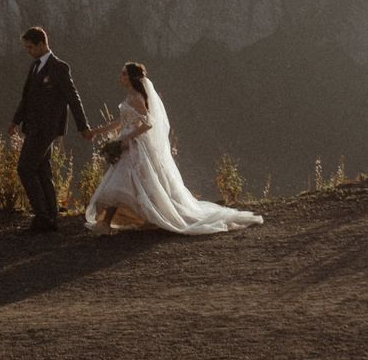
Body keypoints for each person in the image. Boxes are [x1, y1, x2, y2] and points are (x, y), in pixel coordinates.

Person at [82, 61, 264, 236]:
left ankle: (109, 222)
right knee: (132, 182)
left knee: (126, 181)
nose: (120, 77)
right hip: (127, 144)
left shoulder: (137, 98)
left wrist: (127, 138)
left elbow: (148, 124)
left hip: (135, 146)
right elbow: (121, 122)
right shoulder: (130, 97)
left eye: (123, 74)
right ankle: (136, 219)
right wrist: (98, 131)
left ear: (131, 78)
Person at [7, 25, 90, 232]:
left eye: (30, 47)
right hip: (33, 127)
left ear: (42, 44)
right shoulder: (34, 67)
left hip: (47, 129)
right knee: (43, 171)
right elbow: (26, 97)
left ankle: (42, 216)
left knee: (25, 168)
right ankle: (51, 217)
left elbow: (73, 98)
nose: (28, 51)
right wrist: (15, 121)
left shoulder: (59, 67)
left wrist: (83, 126)